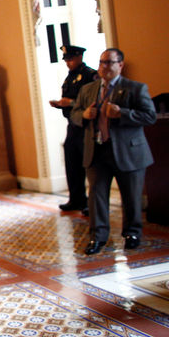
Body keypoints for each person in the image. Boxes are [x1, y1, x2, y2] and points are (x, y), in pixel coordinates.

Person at [71, 48, 156, 255]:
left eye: (109, 63)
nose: (104, 67)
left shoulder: (135, 88)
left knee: (131, 197)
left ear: (121, 65)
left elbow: (150, 116)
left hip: (128, 152)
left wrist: (122, 113)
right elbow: (74, 114)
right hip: (97, 151)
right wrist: (85, 114)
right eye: (102, 63)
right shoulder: (88, 90)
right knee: (96, 197)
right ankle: (98, 238)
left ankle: (132, 234)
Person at [48, 45, 97, 214]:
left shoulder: (90, 75)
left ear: (79, 57)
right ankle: (76, 198)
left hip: (87, 126)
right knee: (72, 162)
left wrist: (71, 103)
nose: (68, 63)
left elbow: (93, 102)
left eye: (70, 59)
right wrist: (60, 104)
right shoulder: (70, 77)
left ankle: (93, 203)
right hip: (72, 125)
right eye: (66, 60)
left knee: (89, 165)